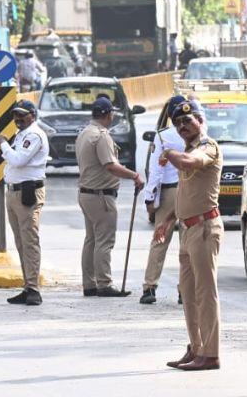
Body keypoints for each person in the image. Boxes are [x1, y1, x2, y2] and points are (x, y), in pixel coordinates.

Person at [152, 99, 223, 372]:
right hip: (188, 228)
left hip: (205, 229)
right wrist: (168, 220)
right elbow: (185, 193)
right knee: (189, 294)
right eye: (178, 123)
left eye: (187, 120)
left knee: (206, 293)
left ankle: (211, 353)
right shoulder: (187, 148)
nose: (183, 126)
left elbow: (189, 163)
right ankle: (196, 347)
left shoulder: (207, 148)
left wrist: (168, 154)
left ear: (200, 120)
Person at [74, 96, 144, 297]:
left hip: (87, 194)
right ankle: (104, 283)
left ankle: (90, 284)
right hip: (101, 196)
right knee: (104, 241)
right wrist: (134, 176)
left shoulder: (85, 132)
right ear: (107, 114)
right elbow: (110, 165)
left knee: (92, 240)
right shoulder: (101, 135)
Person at [0, 99, 49, 306]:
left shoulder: (34, 135)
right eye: (15, 115)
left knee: (29, 242)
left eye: (22, 115)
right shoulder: (22, 134)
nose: (18, 119)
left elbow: (18, 160)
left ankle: (34, 289)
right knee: (20, 243)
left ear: (32, 116)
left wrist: (2, 143)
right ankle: (28, 286)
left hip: (27, 193)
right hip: (15, 193)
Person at [139, 95, 188, 305]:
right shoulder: (195, 135)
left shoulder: (163, 136)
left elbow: (156, 171)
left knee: (160, 239)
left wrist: (150, 198)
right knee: (187, 244)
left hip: (168, 193)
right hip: (189, 192)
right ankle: (184, 290)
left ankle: (150, 287)